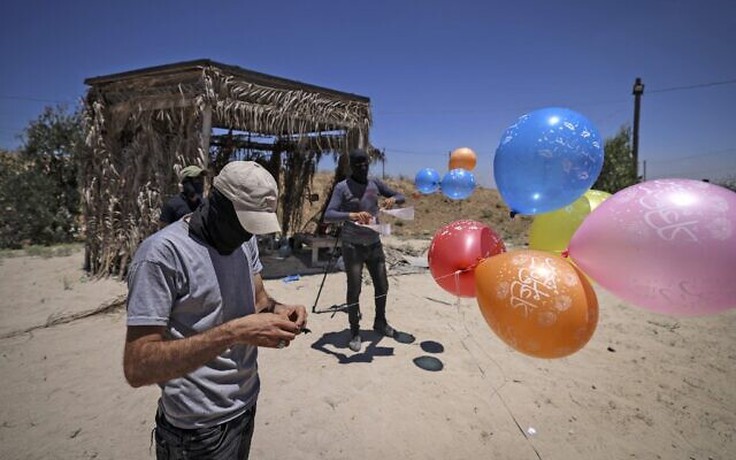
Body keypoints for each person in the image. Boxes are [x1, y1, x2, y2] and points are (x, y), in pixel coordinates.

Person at [124, 161, 307, 459]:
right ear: (218, 203)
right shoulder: (161, 256)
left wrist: (280, 310)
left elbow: (259, 301)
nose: (248, 236)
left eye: (254, 228)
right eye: (243, 225)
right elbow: (137, 368)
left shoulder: (244, 244)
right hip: (197, 432)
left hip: (245, 406)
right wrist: (233, 332)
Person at [324, 149, 406, 352]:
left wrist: (393, 200)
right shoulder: (342, 188)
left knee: (382, 285)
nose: (362, 168)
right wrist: (351, 215)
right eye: (358, 165)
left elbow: (401, 196)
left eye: (365, 164)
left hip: (374, 244)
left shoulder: (375, 183)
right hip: (352, 247)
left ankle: (380, 322)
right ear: (351, 166)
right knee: (354, 289)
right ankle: (354, 331)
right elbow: (329, 214)